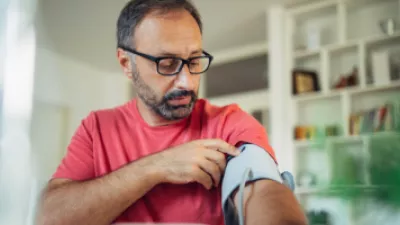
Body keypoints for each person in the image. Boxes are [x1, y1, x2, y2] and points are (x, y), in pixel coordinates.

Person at [36, 0, 306, 225]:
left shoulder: (229, 123)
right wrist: (158, 166)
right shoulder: (96, 129)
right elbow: (50, 217)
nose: (187, 82)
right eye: (167, 64)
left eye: (194, 61)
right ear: (126, 64)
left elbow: (262, 189)